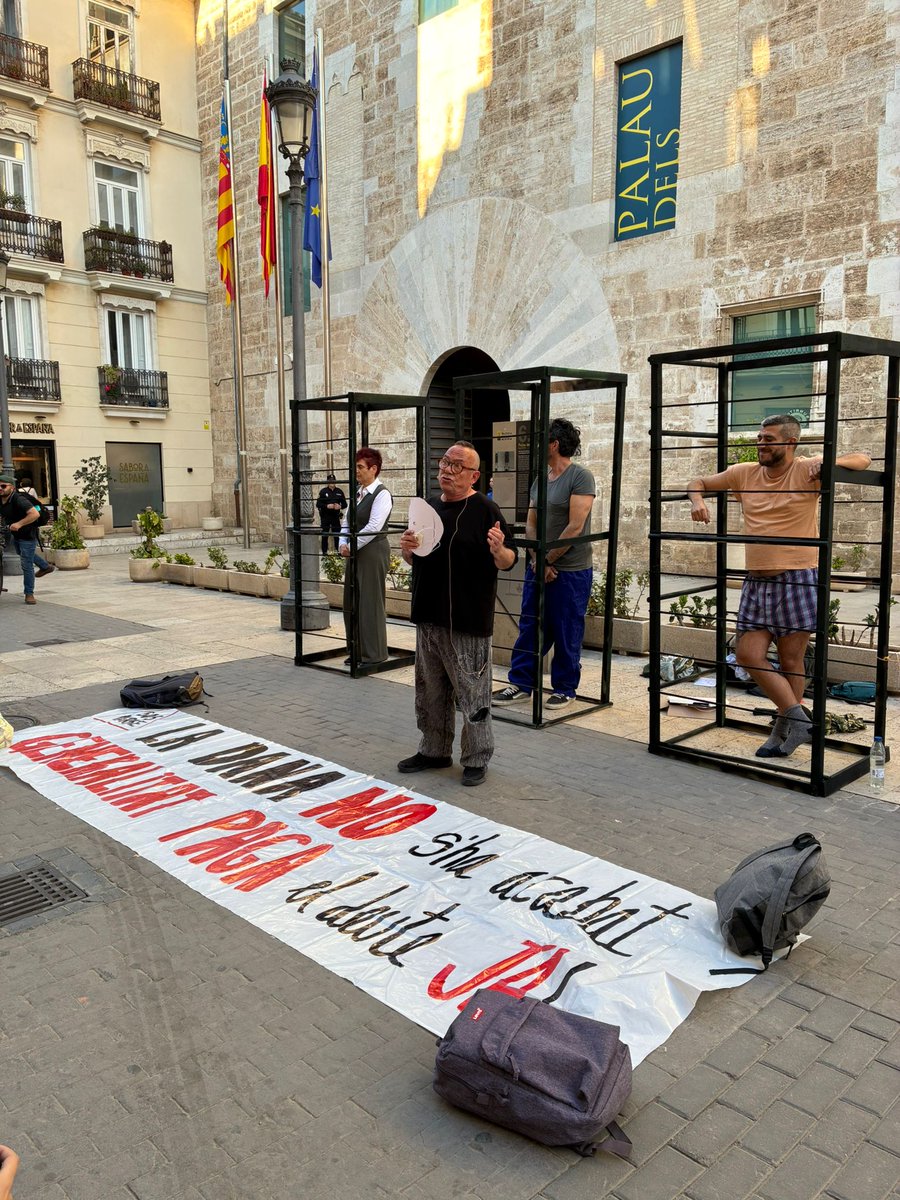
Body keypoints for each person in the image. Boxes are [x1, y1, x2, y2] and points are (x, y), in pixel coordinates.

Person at [687, 414, 871, 758]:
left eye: (768, 439)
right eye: (759, 438)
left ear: (790, 442)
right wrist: (698, 500)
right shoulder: (743, 473)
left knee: (790, 660)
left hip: (797, 577)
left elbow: (863, 459)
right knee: (747, 655)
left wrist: (829, 463)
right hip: (756, 580)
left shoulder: (806, 469)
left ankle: (782, 729)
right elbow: (698, 481)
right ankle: (799, 719)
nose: (761, 444)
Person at [397, 441, 516, 787]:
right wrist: (407, 550)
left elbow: (508, 561)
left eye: (457, 466)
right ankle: (433, 750)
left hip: (467, 619)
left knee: (473, 694)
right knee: (429, 691)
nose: (447, 470)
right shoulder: (428, 508)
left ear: (474, 475)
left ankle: (477, 757)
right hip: (428, 616)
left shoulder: (486, 510)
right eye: (445, 462)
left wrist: (499, 549)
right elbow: (415, 558)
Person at [493, 417, 595, 710]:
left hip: (571, 570)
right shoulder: (541, 478)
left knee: (566, 629)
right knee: (530, 625)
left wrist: (548, 560)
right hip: (539, 566)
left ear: (554, 444)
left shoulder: (580, 477)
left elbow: (575, 526)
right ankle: (521, 683)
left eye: (542, 441)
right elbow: (531, 522)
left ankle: (565, 688)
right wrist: (538, 561)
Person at [340, 448, 392, 665]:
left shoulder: (382, 494)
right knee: (351, 600)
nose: (357, 471)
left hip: (372, 552)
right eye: (356, 467)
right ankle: (356, 650)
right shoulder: (358, 493)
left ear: (374, 469)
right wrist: (342, 543)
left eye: (360, 467)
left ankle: (374, 654)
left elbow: (374, 526)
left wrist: (351, 546)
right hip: (356, 551)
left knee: (370, 602)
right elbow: (346, 521)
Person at [0, 471, 55, 604]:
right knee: (22, 553)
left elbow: (35, 514)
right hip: (16, 534)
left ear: (12, 487)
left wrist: (19, 524)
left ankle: (29, 593)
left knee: (26, 564)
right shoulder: (1, 500)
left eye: (3, 486)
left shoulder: (19, 499)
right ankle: (45, 566)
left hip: (27, 534)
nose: (0, 489)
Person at [316, 472, 347, 555]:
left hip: (335, 516)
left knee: (337, 535)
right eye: (330, 481)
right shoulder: (323, 492)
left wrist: (339, 506)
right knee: (325, 535)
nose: (332, 482)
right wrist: (327, 506)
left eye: (333, 481)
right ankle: (324, 553)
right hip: (325, 516)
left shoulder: (339, 491)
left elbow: (345, 504)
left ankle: (338, 552)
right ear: (327, 482)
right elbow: (318, 504)